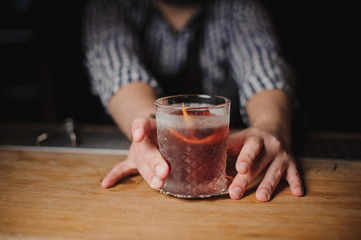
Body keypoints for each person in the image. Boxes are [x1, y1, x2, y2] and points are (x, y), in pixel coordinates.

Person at [83, 0, 304, 202]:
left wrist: (271, 128)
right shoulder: (110, 6)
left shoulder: (237, 7)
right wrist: (149, 132)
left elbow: (264, 71)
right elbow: (119, 72)